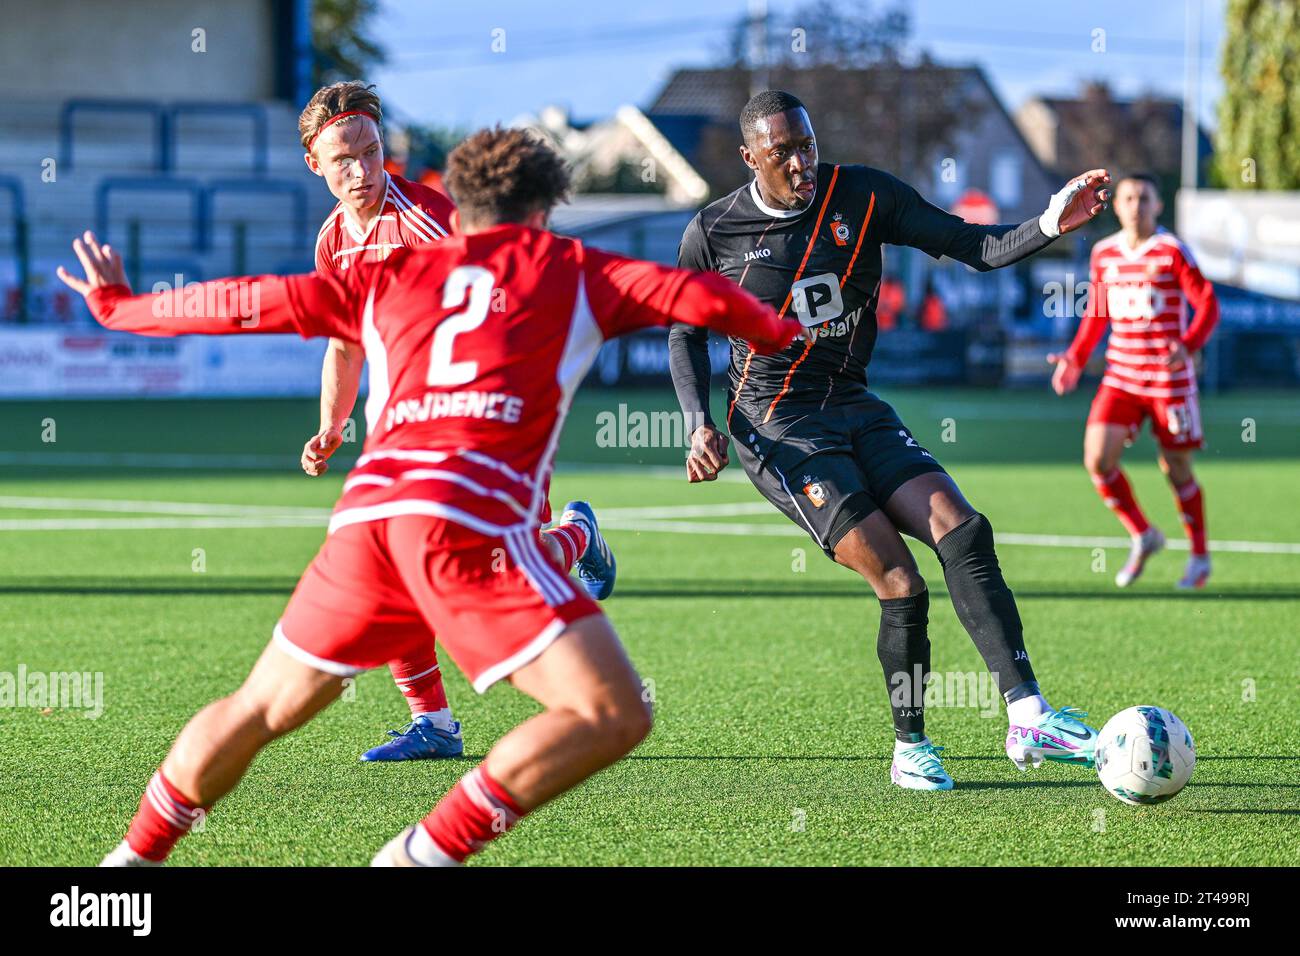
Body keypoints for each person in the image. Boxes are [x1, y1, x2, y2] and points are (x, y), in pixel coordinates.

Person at [58, 127, 801, 866]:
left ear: (460, 203)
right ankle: (422, 853)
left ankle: (127, 866)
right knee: (611, 711)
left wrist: (120, 308)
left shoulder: (387, 276)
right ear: (546, 209)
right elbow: (696, 295)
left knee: (257, 708)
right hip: (465, 521)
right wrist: (772, 328)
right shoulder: (574, 268)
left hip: (366, 521)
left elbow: (251, 300)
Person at [668, 90, 1110, 791]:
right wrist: (699, 423)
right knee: (901, 583)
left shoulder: (864, 195)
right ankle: (911, 746)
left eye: (806, 144)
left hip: (852, 404)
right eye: (781, 152)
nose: (800, 161)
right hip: (779, 428)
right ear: (751, 157)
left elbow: (978, 246)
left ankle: (1029, 715)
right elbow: (685, 330)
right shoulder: (714, 230)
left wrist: (1051, 221)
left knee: (963, 531)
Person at [297, 82, 616, 761]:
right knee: (388, 567)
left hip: (487, 415)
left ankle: (577, 539)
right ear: (316, 167)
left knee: (504, 571)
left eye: (371, 152)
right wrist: (332, 425)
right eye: (343, 160)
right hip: (402, 431)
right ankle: (435, 726)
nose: (361, 171)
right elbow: (345, 342)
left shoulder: (431, 222)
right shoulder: (331, 243)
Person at [1049, 172, 1219, 589]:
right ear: (1117, 204)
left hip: (1167, 381)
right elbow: (1098, 314)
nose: (1136, 205)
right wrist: (1075, 357)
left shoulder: (1171, 251)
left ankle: (1198, 556)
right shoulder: (1105, 254)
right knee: (1097, 458)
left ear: (1158, 205)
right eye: (1128, 198)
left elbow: (1208, 304)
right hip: (1121, 376)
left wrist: (1189, 344)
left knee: (1175, 467)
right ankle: (1143, 534)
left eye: (1144, 198)